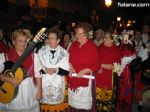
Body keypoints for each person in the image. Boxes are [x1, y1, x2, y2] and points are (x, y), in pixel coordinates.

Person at [0, 29, 42, 112]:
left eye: (25, 41)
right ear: (13, 41)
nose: (23, 44)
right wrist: (8, 79)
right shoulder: (4, 57)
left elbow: (38, 75)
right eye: (20, 41)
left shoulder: (34, 56)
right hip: (11, 90)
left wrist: (40, 91)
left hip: (29, 91)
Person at [67, 22, 100, 111]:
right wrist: (70, 67)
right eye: (77, 34)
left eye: (81, 34)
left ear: (87, 33)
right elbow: (68, 58)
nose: (78, 36)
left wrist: (84, 70)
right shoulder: (74, 45)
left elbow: (96, 64)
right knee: (73, 105)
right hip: (73, 80)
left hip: (85, 81)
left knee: (83, 107)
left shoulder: (92, 47)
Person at [38, 30, 69, 111]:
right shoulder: (41, 51)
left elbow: (67, 70)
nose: (50, 40)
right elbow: (37, 67)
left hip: (57, 83)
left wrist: (56, 70)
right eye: (49, 38)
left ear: (58, 40)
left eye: (52, 38)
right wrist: (45, 69)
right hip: (44, 83)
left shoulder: (64, 53)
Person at [96, 31, 122, 111]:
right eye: (104, 37)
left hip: (108, 80)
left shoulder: (116, 50)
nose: (104, 39)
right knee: (97, 102)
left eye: (106, 38)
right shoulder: (101, 46)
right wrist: (97, 66)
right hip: (98, 78)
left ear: (112, 40)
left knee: (106, 103)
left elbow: (115, 67)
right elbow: (95, 58)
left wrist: (100, 65)